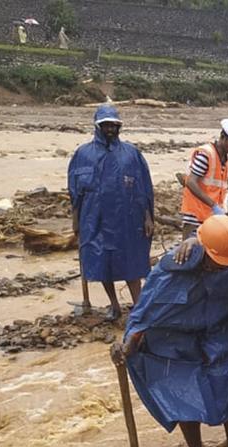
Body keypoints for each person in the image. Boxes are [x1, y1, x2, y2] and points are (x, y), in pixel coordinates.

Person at [112, 216, 228, 447]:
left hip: (216, 327)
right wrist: (129, 344)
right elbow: (146, 310)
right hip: (173, 334)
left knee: (225, 380)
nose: (222, 267)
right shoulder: (172, 266)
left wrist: (195, 238)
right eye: (217, 262)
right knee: (181, 387)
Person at [67, 104, 154, 321]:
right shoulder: (83, 154)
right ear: (98, 126)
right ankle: (114, 305)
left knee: (132, 264)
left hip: (127, 218)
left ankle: (140, 309)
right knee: (102, 263)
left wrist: (148, 216)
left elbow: (144, 187)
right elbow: (75, 191)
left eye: (114, 125)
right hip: (95, 219)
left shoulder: (132, 154)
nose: (110, 129)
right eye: (105, 125)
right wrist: (76, 220)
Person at [180, 118, 228, 237]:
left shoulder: (225, 159)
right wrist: (213, 205)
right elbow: (191, 182)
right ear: (223, 137)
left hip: (211, 215)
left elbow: (218, 183)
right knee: (192, 251)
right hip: (196, 214)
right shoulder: (205, 155)